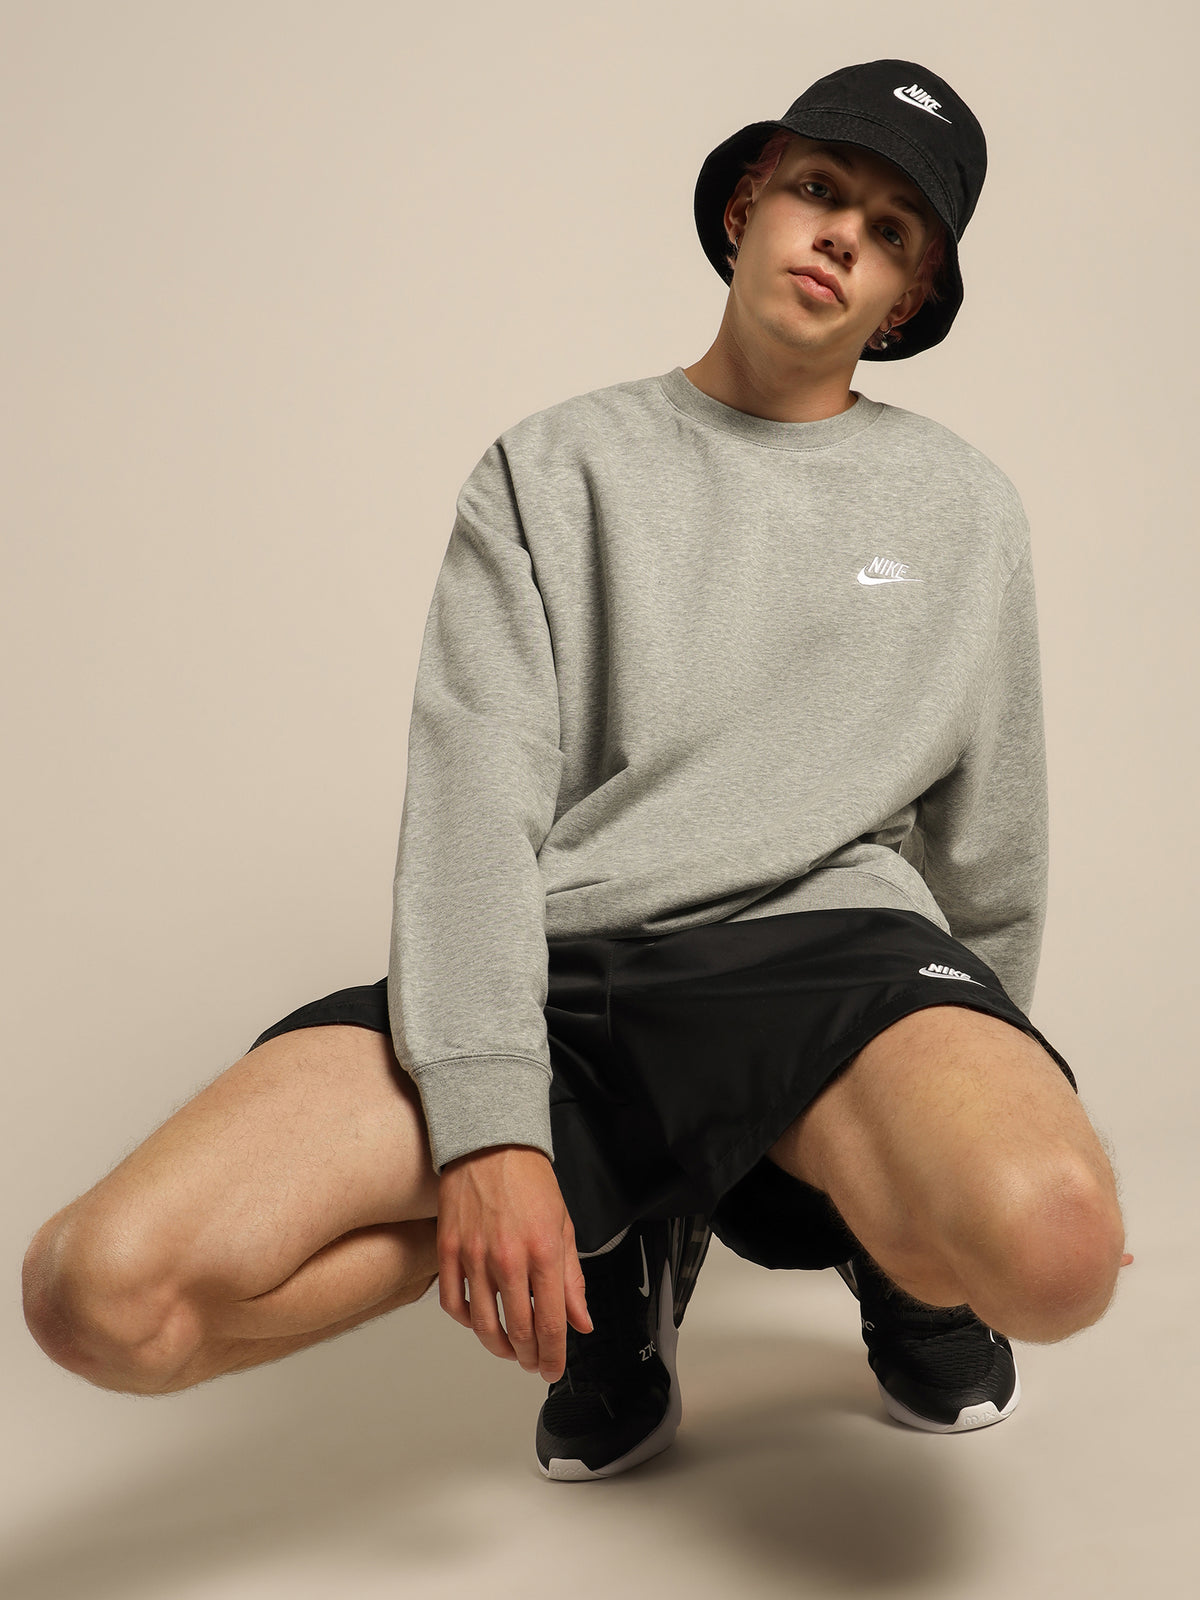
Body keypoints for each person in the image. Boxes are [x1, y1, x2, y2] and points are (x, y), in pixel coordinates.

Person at [22, 59, 1129, 1484]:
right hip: (575, 973)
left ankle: (897, 1264)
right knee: (99, 1297)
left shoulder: (961, 505)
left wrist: (962, 1091)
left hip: (831, 960)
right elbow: (474, 802)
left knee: (1053, 1256)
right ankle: (616, 1230)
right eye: (817, 188)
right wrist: (494, 1134)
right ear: (746, 207)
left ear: (906, 299)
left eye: (891, 229)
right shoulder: (550, 470)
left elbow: (991, 837)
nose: (841, 235)